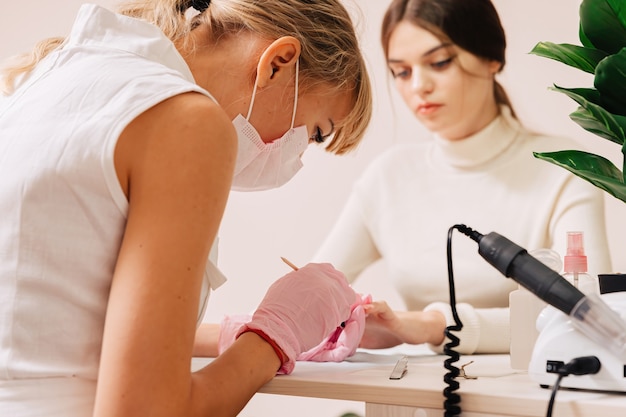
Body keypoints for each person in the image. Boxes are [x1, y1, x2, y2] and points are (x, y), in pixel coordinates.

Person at [0, 0, 372, 416]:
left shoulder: (55, 75)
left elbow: (69, 321)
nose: (297, 156)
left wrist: (233, 333)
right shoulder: (186, 119)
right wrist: (275, 334)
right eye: (316, 133)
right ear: (278, 63)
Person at [312, 0, 612, 355]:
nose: (419, 86)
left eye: (439, 62)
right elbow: (311, 294)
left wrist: (432, 325)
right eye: (401, 72)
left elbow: (590, 315)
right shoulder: (388, 177)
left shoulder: (565, 167)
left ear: (492, 58)